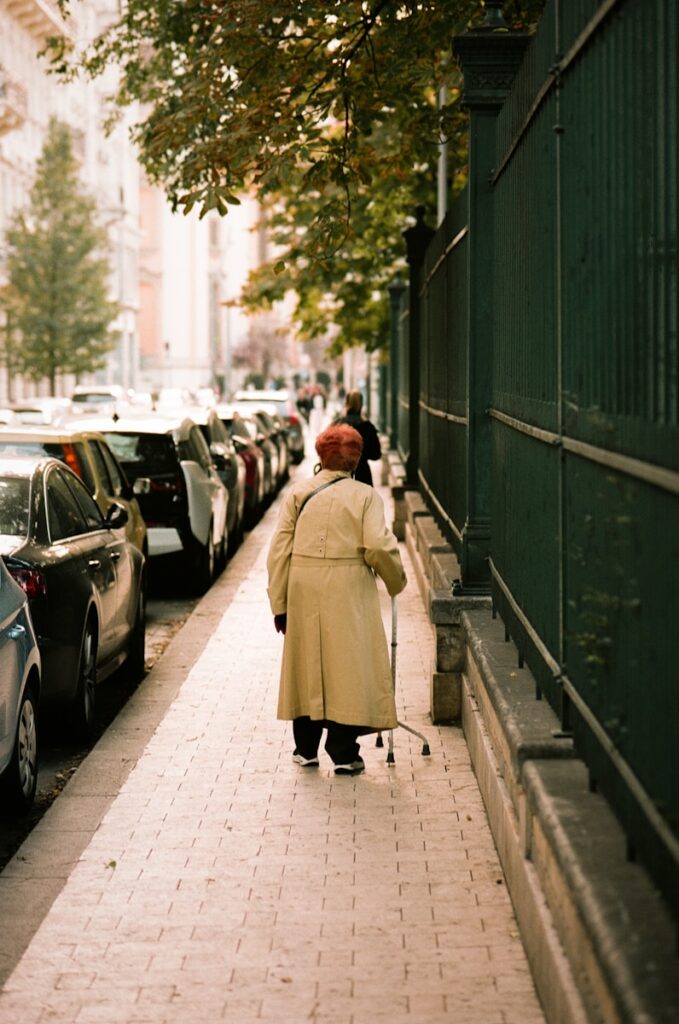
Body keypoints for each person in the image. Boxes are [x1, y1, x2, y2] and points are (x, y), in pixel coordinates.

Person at [267, 424, 407, 776]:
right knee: (345, 665)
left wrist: (279, 603)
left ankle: (305, 748)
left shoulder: (298, 494)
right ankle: (343, 751)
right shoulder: (364, 497)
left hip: (303, 582)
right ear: (356, 459)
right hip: (347, 585)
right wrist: (395, 581)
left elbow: (279, 552)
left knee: (305, 662)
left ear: (321, 456)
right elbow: (377, 545)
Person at [339, 389, 381, 485]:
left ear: (346, 403)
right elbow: (376, 454)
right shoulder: (367, 427)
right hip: (363, 474)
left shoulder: (339, 425)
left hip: (342, 475)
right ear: (361, 405)